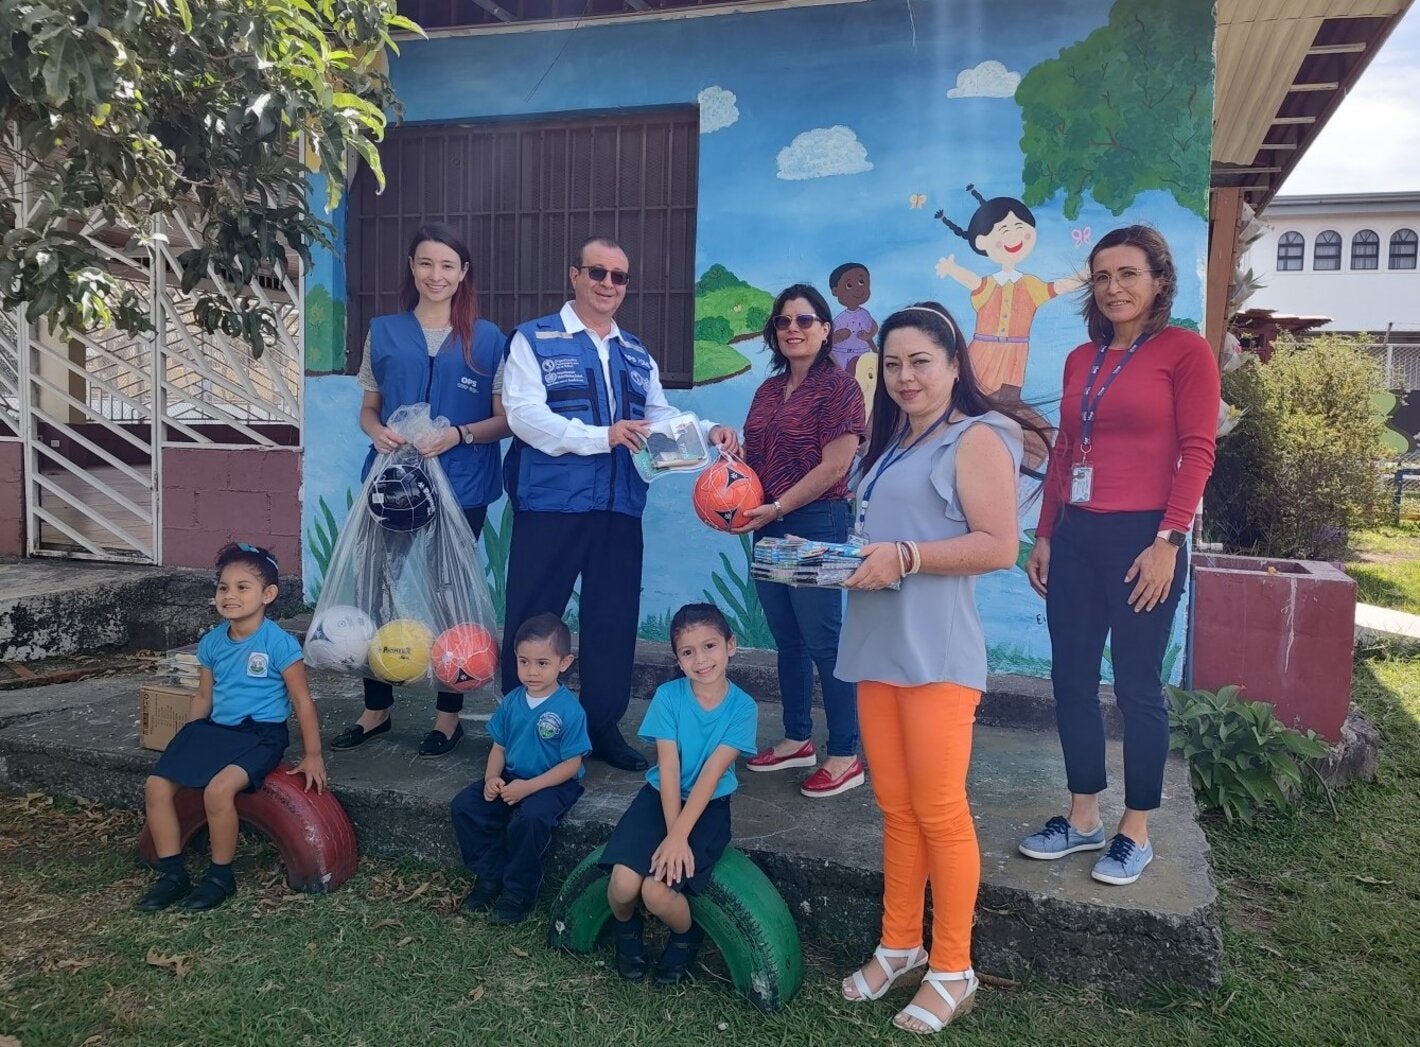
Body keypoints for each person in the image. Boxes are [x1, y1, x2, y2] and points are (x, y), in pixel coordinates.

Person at [836, 303, 1026, 1033]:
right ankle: (899, 944)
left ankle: (953, 965)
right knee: (895, 807)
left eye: (920, 361)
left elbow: (999, 544)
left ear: (953, 364)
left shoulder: (977, 436)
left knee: (940, 810)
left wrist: (907, 557)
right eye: (892, 364)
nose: (905, 376)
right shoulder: (891, 444)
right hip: (877, 646)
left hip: (937, 654)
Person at [1020, 225, 1219, 887]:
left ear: (1159, 281)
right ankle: (1083, 817)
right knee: (1071, 680)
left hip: (1145, 540)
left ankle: (1135, 830)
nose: (1114, 288)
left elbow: (1199, 450)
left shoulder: (1185, 351)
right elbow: (1064, 454)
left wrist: (1169, 541)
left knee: (1137, 687)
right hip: (1076, 537)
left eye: (1128, 274)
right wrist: (1046, 534)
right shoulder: (1082, 358)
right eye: (1102, 276)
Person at [500, 236, 738, 773]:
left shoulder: (635, 351)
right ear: (574, 275)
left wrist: (708, 430)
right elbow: (524, 417)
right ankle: (520, 728)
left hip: (619, 508)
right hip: (551, 507)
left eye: (619, 276)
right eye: (597, 272)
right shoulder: (534, 340)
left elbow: (658, 416)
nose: (608, 284)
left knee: (613, 619)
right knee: (533, 619)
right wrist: (601, 436)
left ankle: (601, 726)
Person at [330, 223, 510, 759]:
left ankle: (448, 716)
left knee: (451, 591)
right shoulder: (383, 332)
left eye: (448, 265)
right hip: (392, 485)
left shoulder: (489, 338)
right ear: (412, 266)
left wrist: (459, 434)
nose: (437, 275)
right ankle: (376, 708)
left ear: (463, 273)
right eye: (427, 263)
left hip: (463, 484)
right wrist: (375, 431)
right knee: (375, 588)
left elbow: (505, 420)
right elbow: (369, 407)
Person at [135, 543, 327, 913]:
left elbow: (303, 701)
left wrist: (313, 754)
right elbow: (204, 696)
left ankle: (221, 877)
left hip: (261, 735)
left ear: (267, 594)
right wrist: (189, 739)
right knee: (156, 786)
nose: (229, 595)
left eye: (242, 587)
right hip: (215, 730)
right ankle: (172, 875)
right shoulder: (211, 642)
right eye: (223, 587)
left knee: (219, 790)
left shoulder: (279, 643)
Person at [731, 283, 866, 798]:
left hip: (816, 521)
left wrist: (781, 506)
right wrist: (729, 447)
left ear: (825, 329)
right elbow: (758, 457)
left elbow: (835, 465)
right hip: (768, 522)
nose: (793, 328)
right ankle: (796, 739)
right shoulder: (768, 391)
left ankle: (845, 753)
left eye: (805, 320)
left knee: (824, 641)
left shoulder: (840, 389)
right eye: (783, 321)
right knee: (787, 639)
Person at [601, 603, 758, 986]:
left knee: (656, 892)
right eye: (688, 652)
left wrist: (680, 837)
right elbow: (669, 769)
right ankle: (626, 929)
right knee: (623, 884)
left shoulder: (744, 708)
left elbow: (710, 776)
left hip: (709, 805)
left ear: (731, 645)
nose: (700, 660)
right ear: (677, 659)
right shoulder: (668, 697)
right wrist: (673, 834)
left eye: (710, 646)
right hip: (659, 796)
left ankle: (685, 936)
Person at [449, 613, 589, 925]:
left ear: (564, 663)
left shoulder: (569, 710)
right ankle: (489, 875)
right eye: (524, 662)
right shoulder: (512, 702)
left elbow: (572, 764)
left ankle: (518, 892)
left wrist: (529, 788)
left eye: (542, 663)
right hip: (512, 776)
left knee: (530, 820)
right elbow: (499, 747)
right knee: (466, 806)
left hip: (552, 782)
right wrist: (491, 778)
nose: (532, 671)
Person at [935, 185, 1083, 470]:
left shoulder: (1030, 285)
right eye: (1004, 231)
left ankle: (1009, 467)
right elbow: (972, 281)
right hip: (984, 352)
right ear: (982, 242)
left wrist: (1085, 276)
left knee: (1009, 408)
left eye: (1020, 228)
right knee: (973, 403)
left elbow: (1057, 287)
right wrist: (952, 270)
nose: (1014, 237)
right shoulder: (989, 285)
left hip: (1014, 356)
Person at [828, 262, 878, 376]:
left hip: (862, 353)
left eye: (861, 282)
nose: (857, 289)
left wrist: (869, 335)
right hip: (841, 354)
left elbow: (874, 327)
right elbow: (829, 341)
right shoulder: (839, 319)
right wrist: (837, 337)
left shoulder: (865, 315)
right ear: (835, 291)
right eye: (849, 285)